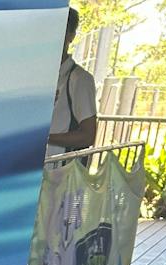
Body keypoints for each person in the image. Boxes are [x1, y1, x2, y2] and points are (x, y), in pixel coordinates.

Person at [47, 7, 98, 159]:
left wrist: (45, 138)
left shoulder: (80, 79)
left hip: (60, 168)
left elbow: (87, 136)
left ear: (71, 36)